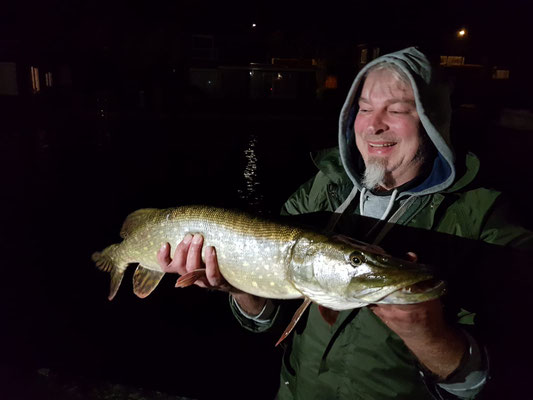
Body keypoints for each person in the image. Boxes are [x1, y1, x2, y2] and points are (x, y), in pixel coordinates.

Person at [157, 47, 533, 399]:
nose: (374, 126)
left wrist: (429, 335)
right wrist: (236, 286)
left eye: (398, 110)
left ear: (434, 119)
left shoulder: (487, 221)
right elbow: (265, 318)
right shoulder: (321, 190)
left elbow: (502, 379)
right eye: (364, 109)